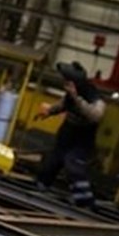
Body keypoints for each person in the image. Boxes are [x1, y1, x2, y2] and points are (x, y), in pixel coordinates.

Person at [34, 62, 105, 207]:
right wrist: (49, 111)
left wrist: (76, 98)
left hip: (82, 139)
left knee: (73, 165)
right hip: (67, 134)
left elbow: (96, 115)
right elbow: (62, 105)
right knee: (52, 162)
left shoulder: (93, 96)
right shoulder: (69, 96)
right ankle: (40, 187)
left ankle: (85, 201)